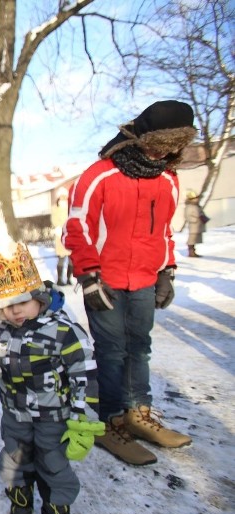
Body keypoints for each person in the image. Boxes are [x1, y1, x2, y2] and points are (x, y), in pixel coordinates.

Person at [63, 100, 196, 466]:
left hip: (142, 279)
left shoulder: (168, 178)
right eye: (160, 141)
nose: (165, 151)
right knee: (111, 350)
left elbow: (165, 231)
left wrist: (166, 270)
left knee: (140, 347)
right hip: (104, 279)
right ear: (140, 136)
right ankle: (112, 421)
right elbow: (77, 227)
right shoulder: (100, 174)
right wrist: (88, 276)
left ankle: (139, 413)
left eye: (174, 144)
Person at [0, 243, 103, 514]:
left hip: (54, 420)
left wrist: (84, 424)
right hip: (15, 417)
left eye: (22, 301)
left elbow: (86, 378)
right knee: (15, 463)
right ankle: (21, 508)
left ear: (37, 297)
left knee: (53, 467)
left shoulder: (65, 332)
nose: (15, 310)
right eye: (7, 304)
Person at [50, 191, 73, 286]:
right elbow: (54, 221)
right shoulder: (55, 208)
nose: (63, 199)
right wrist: (59, 228)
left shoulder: (70, 208)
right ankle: (60, 279)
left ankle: (68, 278)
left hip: (70, 235)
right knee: (61, 258)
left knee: (71, 259)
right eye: (62, 197)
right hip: (60, 235)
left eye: (65, 197)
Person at [184, 190, 207, 258]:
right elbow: (187, 216)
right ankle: (191, 252)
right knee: (192, 239)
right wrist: (196, 219)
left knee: (195, 239)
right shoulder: (189, 206)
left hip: (198, 225)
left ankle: (193, 251)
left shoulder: (196, 205)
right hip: (194, 225)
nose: (197, 199)